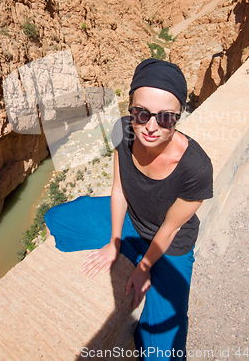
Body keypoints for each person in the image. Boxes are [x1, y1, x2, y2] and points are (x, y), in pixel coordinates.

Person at [45, 58, 213, 359]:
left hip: (171, 245)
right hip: (132, 220)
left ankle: (144, 260)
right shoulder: (123, 131)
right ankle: (130, 250)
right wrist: (114, 242)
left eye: (165, 118)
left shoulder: (196, 169)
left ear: (178, 117)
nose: (150, 127)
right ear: (130, 107)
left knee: (162, 351)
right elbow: (120, 189)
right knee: (58, 220)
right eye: (141, 113)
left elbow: (171, 227)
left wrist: (144, 267)